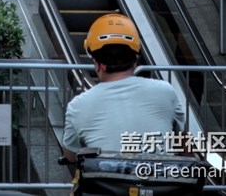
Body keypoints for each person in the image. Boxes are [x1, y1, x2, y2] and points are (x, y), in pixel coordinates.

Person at [62, 12, 186, 162]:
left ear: (98, 64)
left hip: (107, 177)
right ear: (135, 60)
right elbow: (183, 138)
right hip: (162, 176)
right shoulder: (166, 91)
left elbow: (70, 155)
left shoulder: (78, 106)